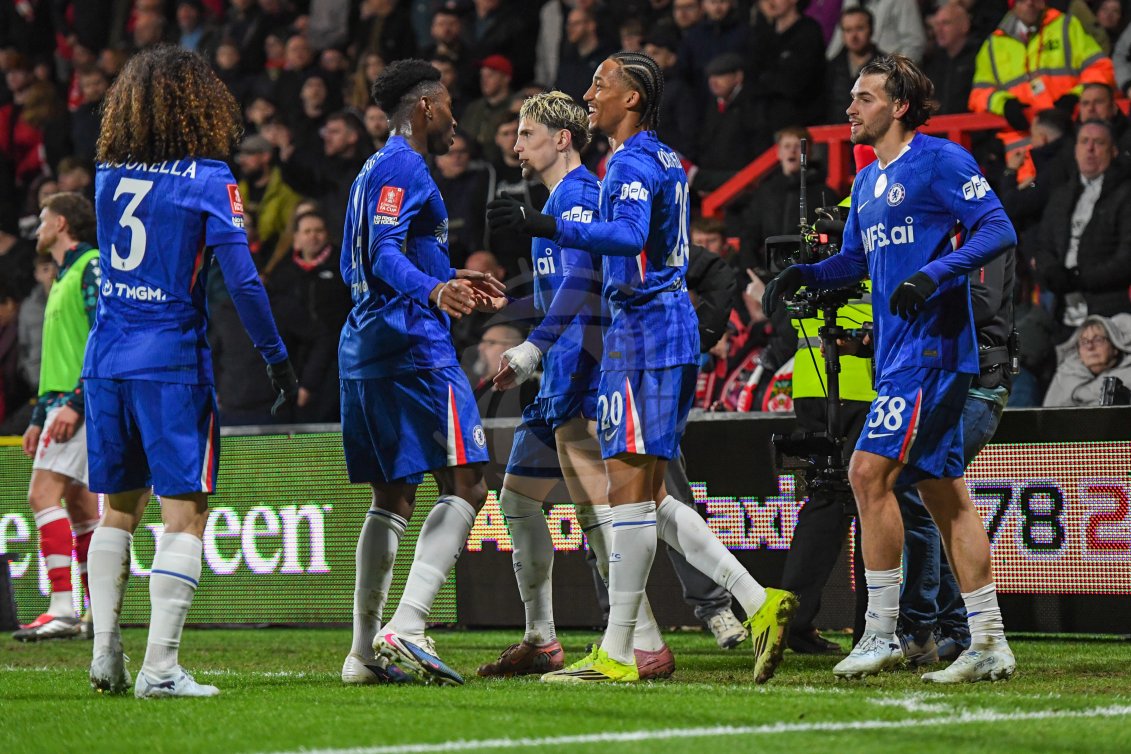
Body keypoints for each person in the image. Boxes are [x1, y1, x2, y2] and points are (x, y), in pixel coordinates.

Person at [488, 53, 797, 684]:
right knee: (645, 496)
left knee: (626, 502)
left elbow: (628, 238)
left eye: (601, 83)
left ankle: (623, 652)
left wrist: (541, 223)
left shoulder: (626, 164)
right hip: (662, 330)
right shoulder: (662, 157)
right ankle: (753, 601)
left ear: (632, 98)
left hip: (641, 335)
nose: (590, 92)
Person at [764, 54, 1019, 683]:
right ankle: (989, 641)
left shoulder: (940, 159)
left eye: (866, 98)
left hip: (934, 349)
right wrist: (806, 274)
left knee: (865, 471)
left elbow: (997, 228)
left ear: (900, 106)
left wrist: (935, 273)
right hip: (899, 353)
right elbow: (854, 260)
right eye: (852, 96)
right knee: (944, 494)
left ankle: (880, 632)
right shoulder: (867, 181)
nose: (850, 107)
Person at [83, 45, 298, 698]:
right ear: (199, 105)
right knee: (185, 517)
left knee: (117, 512)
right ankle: (161, 669)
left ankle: (105, 656)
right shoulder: (209, 176)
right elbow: (244, 282)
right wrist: (275, 356)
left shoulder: (106, 174)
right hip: (170, 362)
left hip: (106, 359)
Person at [337, 59, 506, 687]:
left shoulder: (371, 170)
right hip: (413, 348)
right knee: (467, 482)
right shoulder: (406, 166)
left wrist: (448, 274)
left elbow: (371, 255)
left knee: (392, 496)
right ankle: (407, 625)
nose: (457, 119)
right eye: (451, 105)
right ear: (427, 107)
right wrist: (434, 291)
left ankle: (362, 654)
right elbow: (383, 253)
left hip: (366, 345)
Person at [897, 249, 1016, 665]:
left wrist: (913, 300)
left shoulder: (985, 231)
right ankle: (953, 629)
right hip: (943, 381)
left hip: (979, 383)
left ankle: (923, 628)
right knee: (931, 493)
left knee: (924, 488)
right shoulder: (938, 237)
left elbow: (981, 302)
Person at [13, 193, 101, 642]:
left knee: (41, 494)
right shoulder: (63, 275)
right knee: (82, 508)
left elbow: (106, 334)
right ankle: (97, 611)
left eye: (44, 219)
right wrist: (38, 414)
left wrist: (77, 402)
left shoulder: (90, 266)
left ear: (62, 223)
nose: (38, 228)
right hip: (61, 403)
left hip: (78, 404)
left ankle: (62, 607)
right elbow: (59, 355)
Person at [1043, 313, 1131, 406]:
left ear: (1115, 347)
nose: (1090, 347)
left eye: (1098, 340)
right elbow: (1048, 414)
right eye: (1084, 342)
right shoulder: (1065, 376)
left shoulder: (1128, 375)